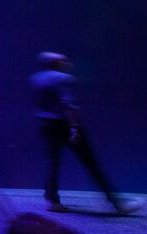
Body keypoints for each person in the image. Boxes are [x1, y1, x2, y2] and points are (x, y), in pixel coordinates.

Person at [31, 51, 143, 214]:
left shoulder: (36, 79)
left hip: (45, 125)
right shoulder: (64, 79)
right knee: (91, 163)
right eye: (63, 60)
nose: (67, 63)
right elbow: (68, 104)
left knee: (51, 162)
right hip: (64, 125)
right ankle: (117, 203)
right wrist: (74, 127)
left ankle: (52, 201)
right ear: (55, 63)